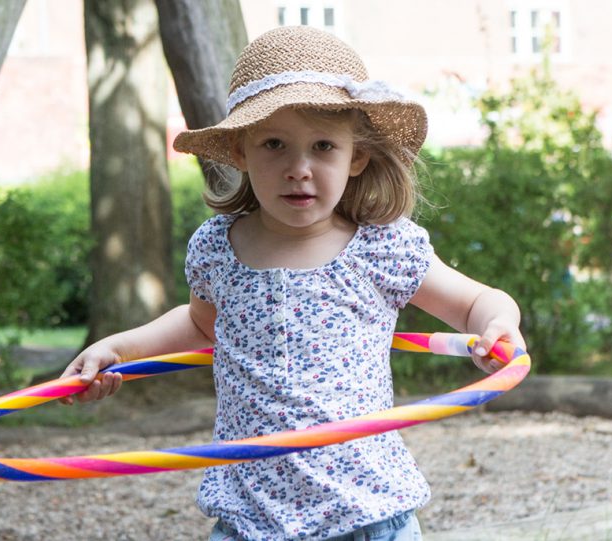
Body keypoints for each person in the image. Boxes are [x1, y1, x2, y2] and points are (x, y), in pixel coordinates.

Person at [60, 26, 525, 541]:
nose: (298, 169)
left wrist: (497, 324)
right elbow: (198, 324)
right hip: (250, 515)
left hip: (366, 510)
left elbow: (476, 302)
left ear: (357, 157)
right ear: (239, 151)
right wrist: (119, 348)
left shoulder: (380, 249)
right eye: (274, 145)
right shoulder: (217, 248)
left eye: (323, 146)